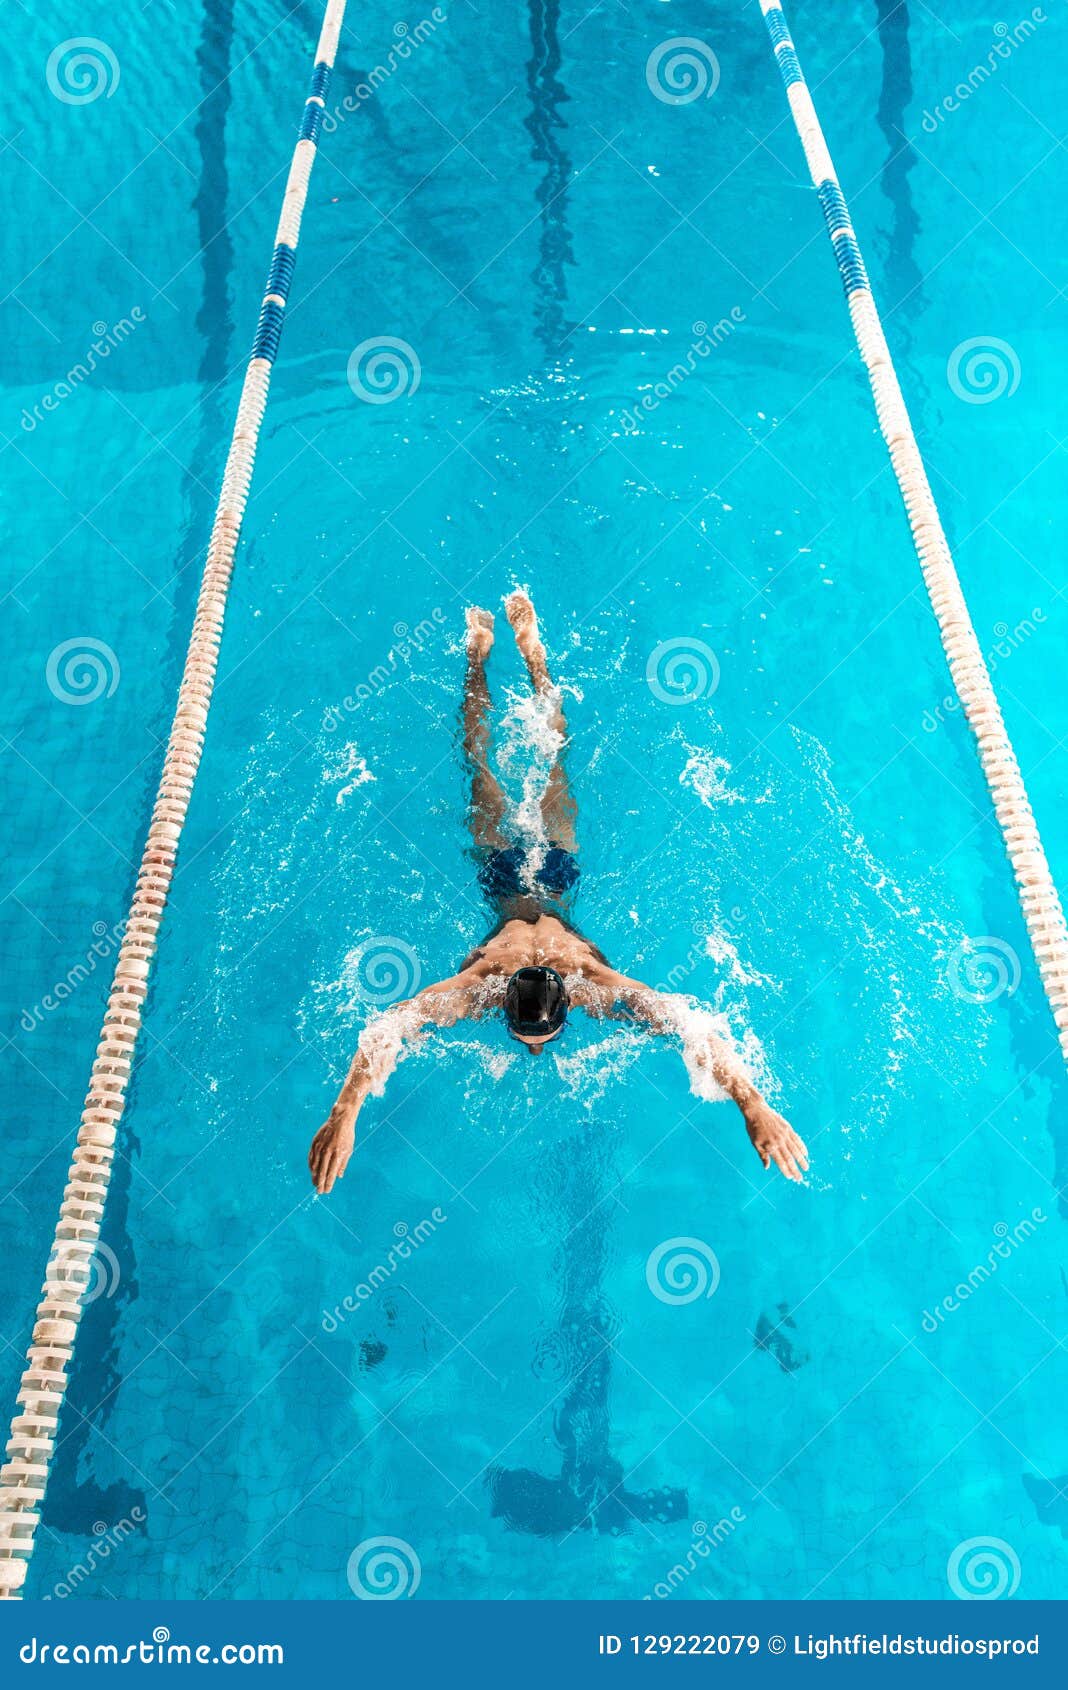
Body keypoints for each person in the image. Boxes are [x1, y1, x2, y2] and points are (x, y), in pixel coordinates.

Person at [309, 592, 809, 1194]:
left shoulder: (508, 986)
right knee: (489, 763)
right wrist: (342, 1117)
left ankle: (505, 656)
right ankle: (499, 653)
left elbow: (391, 1027)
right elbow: (688, 1025)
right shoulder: (513, 986)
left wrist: (753, 1107)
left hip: (557, 871)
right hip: (504, 872)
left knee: (539, 758)